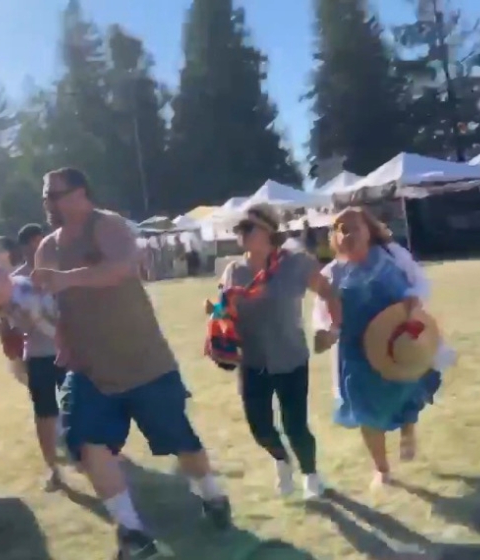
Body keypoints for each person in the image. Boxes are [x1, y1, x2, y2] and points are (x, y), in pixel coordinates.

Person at [31, 167, 231, 557]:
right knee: (87, 444)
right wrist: (60, 335)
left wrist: (67, 279)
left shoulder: (108, 226)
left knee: (181, 442)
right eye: (47, 197)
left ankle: (211, 493)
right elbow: (55, 301)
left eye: (58, 194)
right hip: (90, 369)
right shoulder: (47, 248)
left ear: (81, 192)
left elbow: (121, 268)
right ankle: (133, 533)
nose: (52, 203)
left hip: (143, 360)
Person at [213, 204, 340, 499]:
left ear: (270, 232)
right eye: (238, 229)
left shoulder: (296, 264)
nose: (240, 234)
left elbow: (329, 292)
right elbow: (223, 310)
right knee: (259, 426)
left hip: (291, 358)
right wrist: (216, 319)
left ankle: (310, 476)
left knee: (295, 425)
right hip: (252, 361)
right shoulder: (234, 270)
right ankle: (281, 460)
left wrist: (332, 329)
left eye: (248, 228)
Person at [311, 207, 443, 490]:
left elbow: (419, 282)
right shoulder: (332, 273)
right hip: (356, 354)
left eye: (354, 227)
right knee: (365, 410)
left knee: (408, 390)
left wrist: (413, 299)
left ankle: (408, 428)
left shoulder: (393, 255)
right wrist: (327, 332)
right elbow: (323, 314)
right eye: (340, 229)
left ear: (369, 230)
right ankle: (381, 469)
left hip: (400, 341)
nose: (347, 233)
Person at [0, 264, 67, 491]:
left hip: (63, 349)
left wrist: (32, 320)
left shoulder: (28, 295)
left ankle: (97, 454)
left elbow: (55, 331)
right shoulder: (5, 297)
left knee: (78, 405)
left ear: (7, 282)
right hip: (37, 355)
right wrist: (0, 321)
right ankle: (53, 469)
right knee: (43, 413)